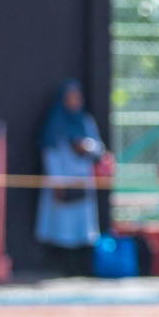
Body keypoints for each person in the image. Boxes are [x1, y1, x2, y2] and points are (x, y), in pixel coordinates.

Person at [35, 79, 104, 275]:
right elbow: (50, 154)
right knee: (61, 228)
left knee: (82, 228)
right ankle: (59, 268)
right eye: (70, 97)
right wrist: (57, 184)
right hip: (63, 182)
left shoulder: (84, 121)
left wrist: (86, 147)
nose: (74, 101)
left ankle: (81, 270)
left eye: (77, 97)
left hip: (82, 182)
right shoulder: (56, 122)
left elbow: (98, 148)